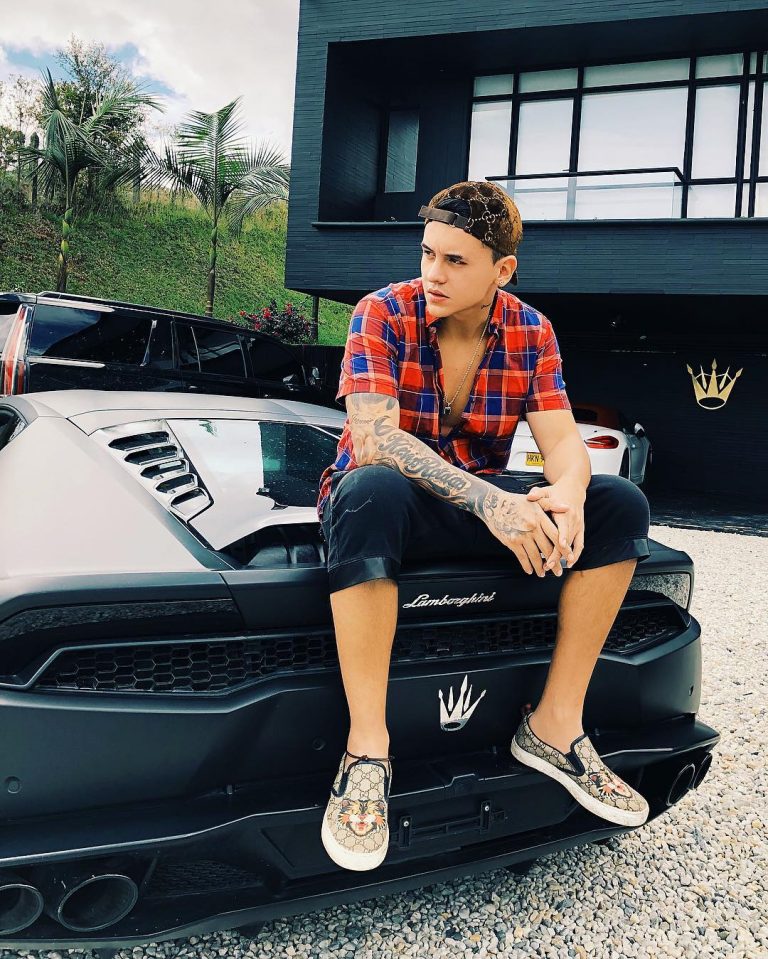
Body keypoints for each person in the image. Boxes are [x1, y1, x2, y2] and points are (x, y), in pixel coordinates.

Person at [315, 180, 652, 872]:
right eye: (427, 254)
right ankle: (367, 750)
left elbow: (563, 443)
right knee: (371, 486)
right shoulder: (382, 311)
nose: (433, 273)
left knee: (620, 503)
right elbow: (374, 439)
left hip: (477, 500)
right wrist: (494, 504)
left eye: (455, 261)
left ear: (502, 270)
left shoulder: (531, 331)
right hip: (392, 504)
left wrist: (568, 495)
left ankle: (554, 725)